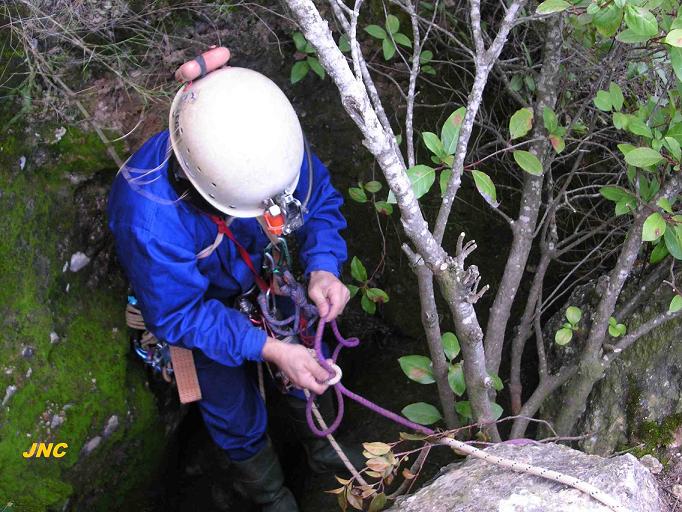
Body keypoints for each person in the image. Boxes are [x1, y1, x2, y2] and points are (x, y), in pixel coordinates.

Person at [107, 58, 358, 511]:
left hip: (265, 281)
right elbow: (179, 315)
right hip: (197, 309)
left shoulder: (272, 151)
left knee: (310, 373)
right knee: (232, 412)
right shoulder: (148, 218)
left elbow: (318, 199)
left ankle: (331, 466)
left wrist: (323, 266)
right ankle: (271, 499)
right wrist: (271, 350)